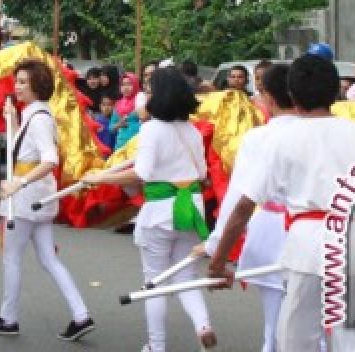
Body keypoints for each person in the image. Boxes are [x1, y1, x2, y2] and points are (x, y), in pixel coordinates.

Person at [207, 54, 355, 352]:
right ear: (336, 91)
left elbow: (245, 206)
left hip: (305, 248)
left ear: (293, 96)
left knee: (296, 336)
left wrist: (219, 261)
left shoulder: (282, 138)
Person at [83, 67, 216, 351]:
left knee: (154, 280)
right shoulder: (191, 131)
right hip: (190, 209)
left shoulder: (152, 130)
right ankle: (202, 324)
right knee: (186, 276)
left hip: (160, 211)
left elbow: (140, 174)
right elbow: (203, 173)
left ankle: (156, 346)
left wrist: (101, 177)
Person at [0, 58, 95, 341]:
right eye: (16, 81)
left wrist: (19, 182)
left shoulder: (40, 118)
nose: (16, 87)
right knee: (48, 259)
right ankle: (80, 315)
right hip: (35, 197)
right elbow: (24, 148)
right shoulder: (34, 114)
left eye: (22, 82)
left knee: (12, 258)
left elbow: (49, 159)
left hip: (26, 198)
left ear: (37, 86)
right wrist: (13, 120)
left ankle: (9, 319)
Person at [201, 64, 296, 352]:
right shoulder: (339, 134)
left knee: (276, 322)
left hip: (274, 229)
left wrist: (215, 249)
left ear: (267, 96)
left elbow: (239, 199)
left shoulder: (259, 138)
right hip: (325, 234)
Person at [110, 72, 143, 150]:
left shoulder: (141, 101)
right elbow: (111, 127)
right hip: (121, 144)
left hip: (137, 144)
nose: (125, 88)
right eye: (123, 85)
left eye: (129, 84)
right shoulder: (118, 104)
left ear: (135, 85)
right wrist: (119, 124)